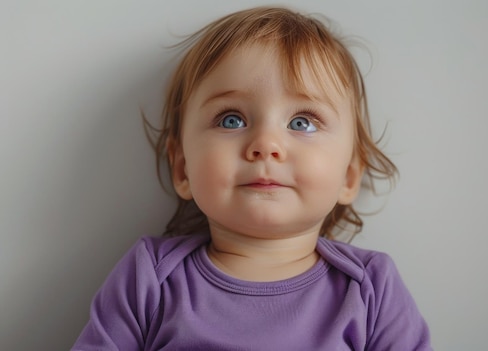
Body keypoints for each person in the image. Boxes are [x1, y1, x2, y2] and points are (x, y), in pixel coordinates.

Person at [72, 6, 432, 351]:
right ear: (182, 168)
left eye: (302, 122)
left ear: (349, 177)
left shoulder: (371, 286)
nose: (266, 145)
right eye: (231, 119)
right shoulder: (149, 277)